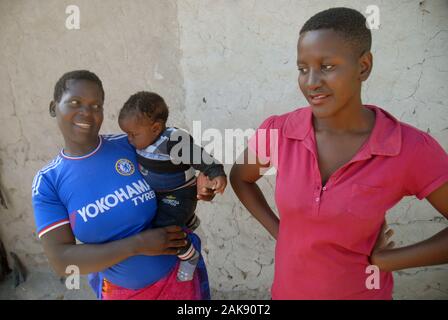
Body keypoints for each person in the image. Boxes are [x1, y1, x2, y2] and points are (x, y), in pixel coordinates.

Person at [230, 7, 448, 299]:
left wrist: (389, 261)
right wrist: (280, 233)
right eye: (302, 68)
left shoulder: (407, 147)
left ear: (364, 66)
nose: (311, 82)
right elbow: (241, 178)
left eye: (327, 66)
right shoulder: (281, 131)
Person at [31, 70, 215, 300]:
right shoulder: (48, 182)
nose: (87, 113)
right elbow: (62, 261)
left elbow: (181, 152)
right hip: (122, 293)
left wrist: (201, 179)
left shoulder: (130, 145)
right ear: (53, 107)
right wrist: (136, 245)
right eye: (75, 102)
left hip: (179, 277)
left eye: (96, 105)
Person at [118, 91, 227, 282]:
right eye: (127, 134)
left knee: (163, 229)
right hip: (157, 194)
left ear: (155, 128)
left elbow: (199, 156)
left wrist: (216, 172)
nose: (129, 139)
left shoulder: (172, 141)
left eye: (133, 134)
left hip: (179, 195)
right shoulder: (141, 142)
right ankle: (188, 220)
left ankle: (188, 253)